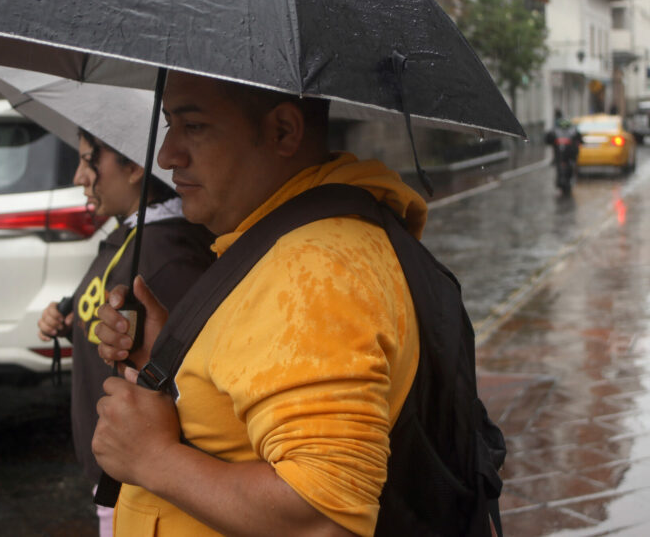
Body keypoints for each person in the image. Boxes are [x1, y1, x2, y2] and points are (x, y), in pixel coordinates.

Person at [90, 71, 427, 536]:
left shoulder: (312, 268)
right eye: (168, 125)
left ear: (283, 131)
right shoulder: (290, 242)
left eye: (194, 126)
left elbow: (323, 519)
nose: (167, 155)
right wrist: (172, 353)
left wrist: (153, 459)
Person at [36, 129, 214, 536]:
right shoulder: (129, 238)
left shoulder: (165, 254)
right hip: (118, 473)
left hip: (141, 488)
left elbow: (184, 372)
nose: (80, 176)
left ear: (134, 167)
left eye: (88, 161)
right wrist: (71, 322)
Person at [545, 109, 582, 193]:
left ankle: (565, 181)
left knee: (564, 164)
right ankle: (564, 181)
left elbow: (549, 138)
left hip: (564, 154)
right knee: (565, 164)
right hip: (565, 154)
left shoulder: (557, 128)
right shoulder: (570, 129)